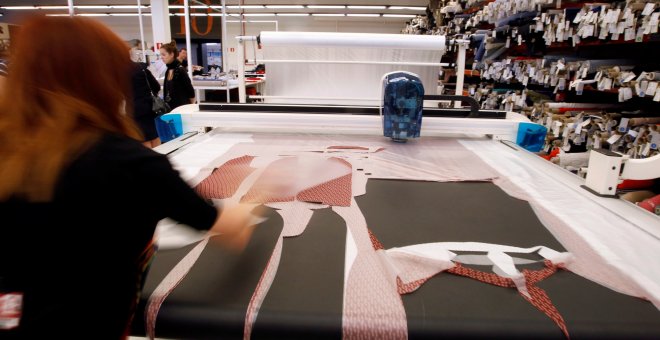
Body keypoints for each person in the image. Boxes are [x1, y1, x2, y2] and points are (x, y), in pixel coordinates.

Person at [0, 16, 257, 339]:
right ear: (101, 78)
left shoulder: (10, 153)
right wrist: (256, 198)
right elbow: (224, 226)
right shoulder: (125, 163)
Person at [131, 61, 162, 148]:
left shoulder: (121, 72)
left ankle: (150, 159)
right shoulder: (142, 69)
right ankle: (158, 158)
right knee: (155, 135)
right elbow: (156, 86)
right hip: (150, 107)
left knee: (143, 138)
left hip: (135, 110)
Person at [160, 41, 195, 111]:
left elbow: (190, 90)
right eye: (160, 55)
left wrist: (191, 106)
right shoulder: (169, 69)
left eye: (163, 55)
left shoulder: (180, 70)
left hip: (181, 108)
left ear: (172, 54)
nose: (161, 57)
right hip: (172, 107)